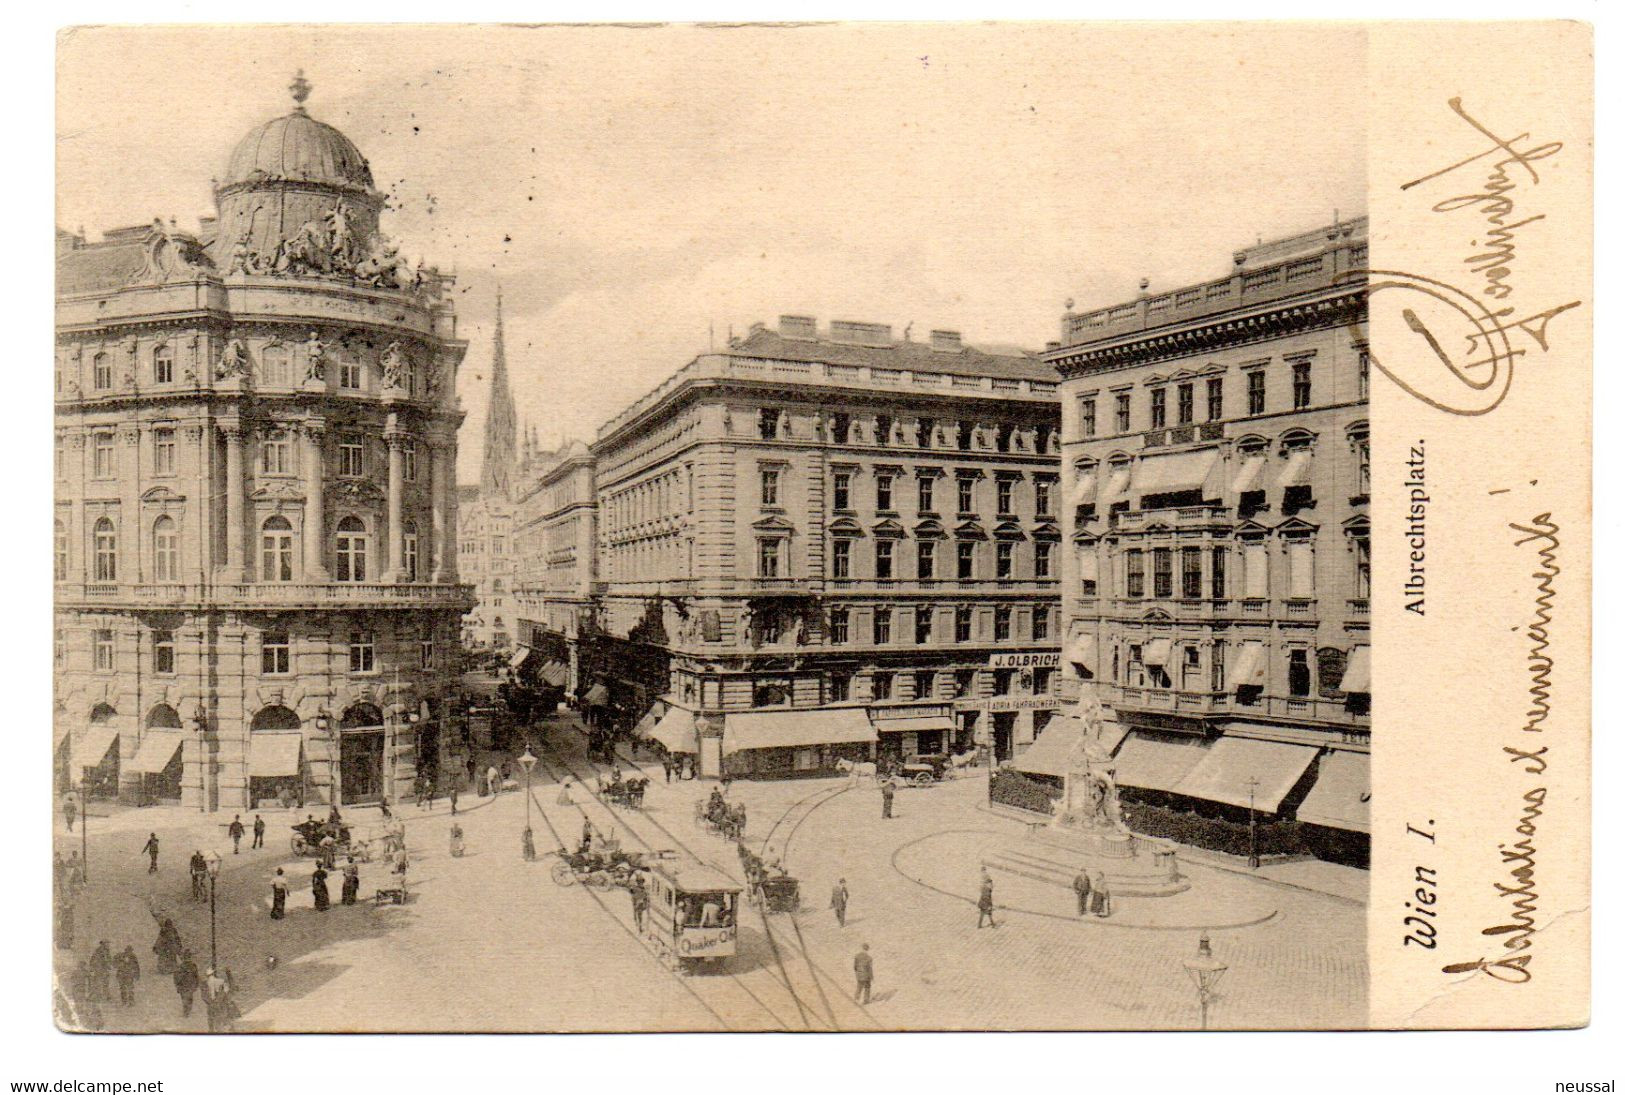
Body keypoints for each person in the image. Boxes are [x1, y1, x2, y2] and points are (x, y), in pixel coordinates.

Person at [173, 950, 200, 1018]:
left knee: (184, 998)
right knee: (190, 998)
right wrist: (196, 984)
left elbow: (176, 977)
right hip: (191, 985)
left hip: (183, 986)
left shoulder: (181, 967)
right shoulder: (193, 966)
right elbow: (196, 976)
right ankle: (188, 1010)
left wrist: (177, 985)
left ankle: (186, 1011)